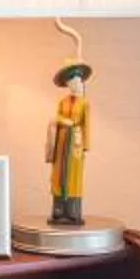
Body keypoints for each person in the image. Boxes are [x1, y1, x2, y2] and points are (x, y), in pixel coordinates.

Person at [45, 61, 91, 226]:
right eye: (73, 82)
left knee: (73, 177)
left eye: (79, 82)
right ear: (68, 84)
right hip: (63, 140)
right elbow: (56, 117)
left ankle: (73, 212)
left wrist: (86, 147)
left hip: (76, 143)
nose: (76, 85)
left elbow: (87, 125)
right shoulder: (62, 102)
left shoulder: (84, 104)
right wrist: (64, 121)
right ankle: (58, 211)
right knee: (58, 175)